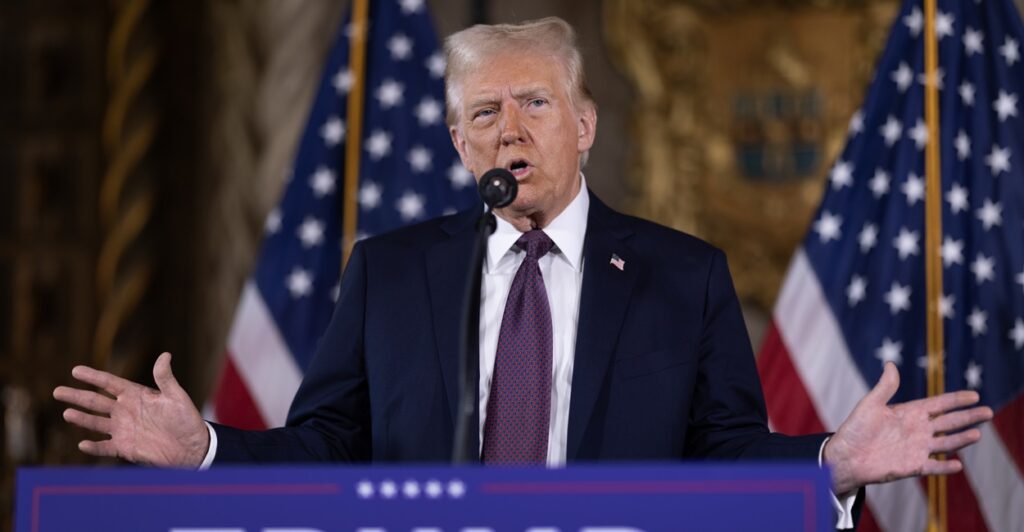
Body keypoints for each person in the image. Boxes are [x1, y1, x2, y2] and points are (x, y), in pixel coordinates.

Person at [54, 17, 991, 529]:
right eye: (486, 111)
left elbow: (725, 456)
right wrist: (207, 451)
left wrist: (832, 466)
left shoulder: (682, 274)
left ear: (583, 125)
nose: (512, 128)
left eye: (535, 102)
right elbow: (329, 448)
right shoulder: (391, 272)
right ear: (461, 143)